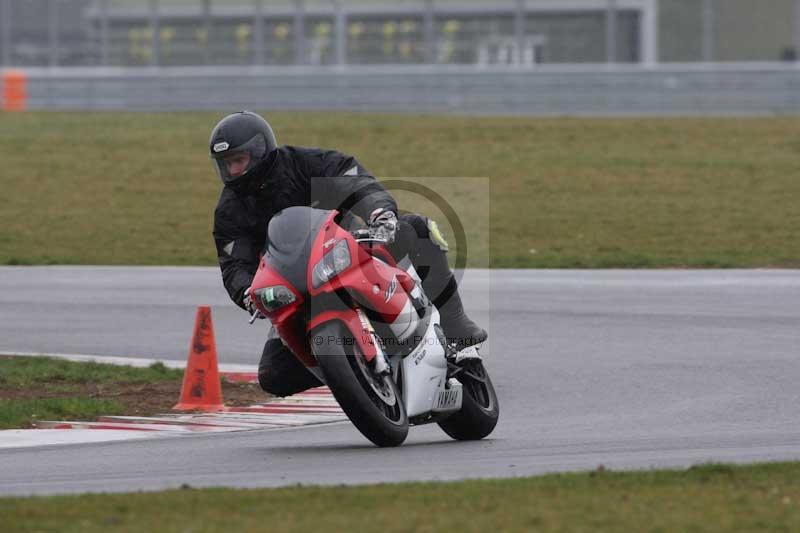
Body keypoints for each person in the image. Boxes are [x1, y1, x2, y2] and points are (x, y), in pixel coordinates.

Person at [210, 111, 486, 397]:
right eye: (226, 164)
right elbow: (234, 264)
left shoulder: (304, 164)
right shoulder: (230, 211)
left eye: (238, 161)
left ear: (259, 151)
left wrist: (379, 211)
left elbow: (353, 180)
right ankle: (353, 372)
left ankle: (456, 329)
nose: (233, 172)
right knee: (273, 375)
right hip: (295, 288)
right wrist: (248, 293)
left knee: (417, 229)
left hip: (347, 253)